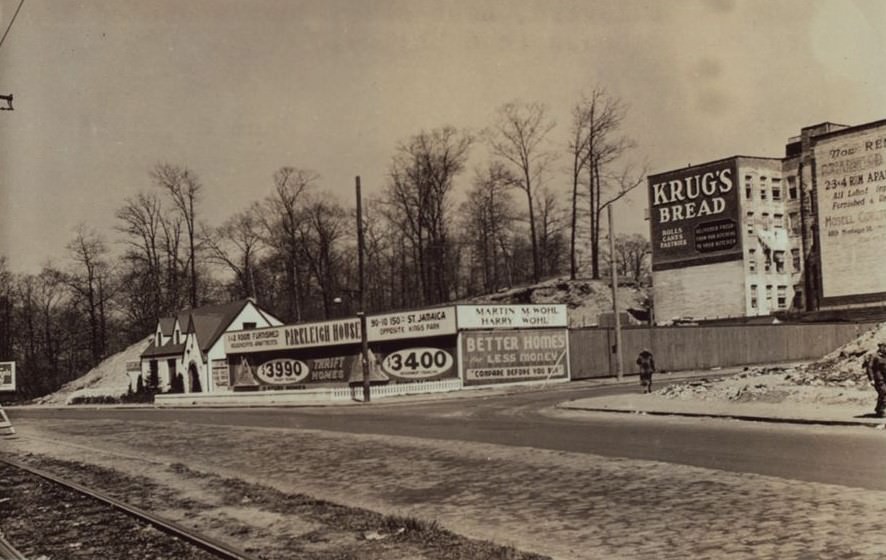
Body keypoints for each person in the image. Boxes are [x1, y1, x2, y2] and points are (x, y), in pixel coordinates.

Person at [865, 342, 886, 418]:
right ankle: (881, 410)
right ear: (881, 347)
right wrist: (871, 379)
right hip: (878, 379)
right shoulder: (874, 356)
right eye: (884, 347)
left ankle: (879, 408)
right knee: (884, 392)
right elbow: (869, 368)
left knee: (882, 394)